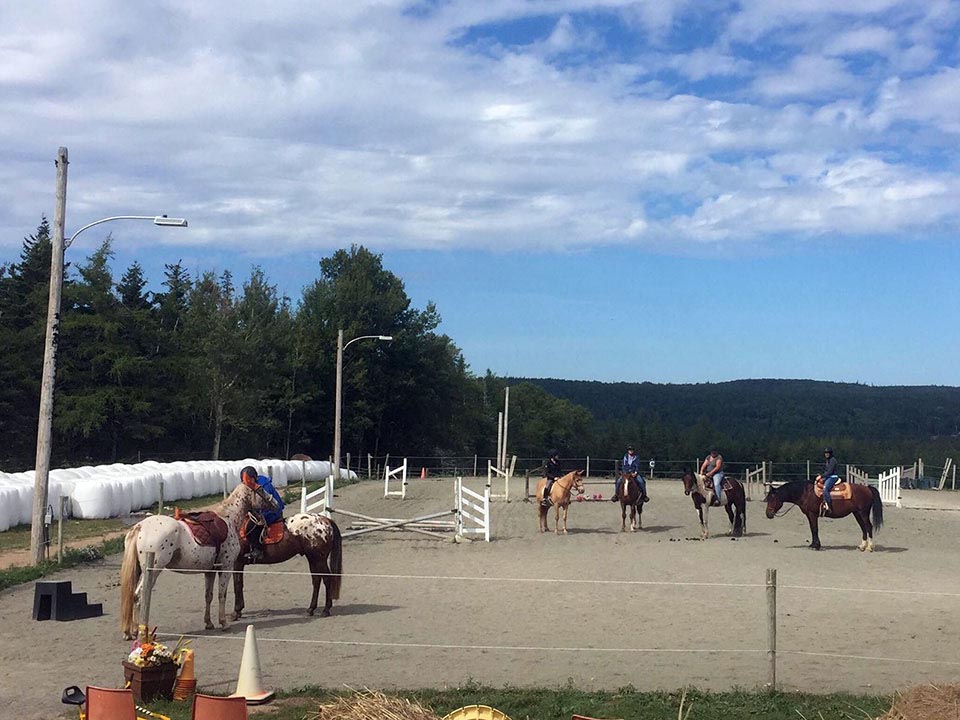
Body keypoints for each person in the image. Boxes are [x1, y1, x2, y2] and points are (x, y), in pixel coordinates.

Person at [240, 466, 285, 563]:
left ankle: (258, 550)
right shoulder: (254, 484)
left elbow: (267, 504)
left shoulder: (263, 486)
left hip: (272, 511)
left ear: (254, 478)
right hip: (264, 510)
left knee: (253, 525)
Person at [818, 447, 840, 516]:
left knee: (825, 488)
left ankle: (829, 506)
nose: (826, 454)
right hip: (828, 477)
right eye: (825, 453)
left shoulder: (833, 460)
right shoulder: (828, 460)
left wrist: (821, 476)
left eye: (827, 453)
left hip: (833, 477)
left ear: (830, 453)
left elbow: (830, 472)